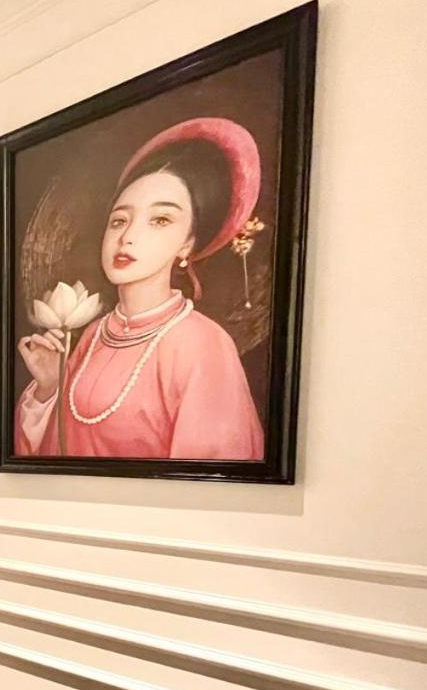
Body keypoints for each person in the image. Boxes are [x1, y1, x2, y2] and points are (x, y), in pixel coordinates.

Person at [15, 118, 265, 460]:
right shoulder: (93, 335)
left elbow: (210, 477)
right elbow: (50, 458)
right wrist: (49, 387)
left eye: (160, 220)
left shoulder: (203, 343)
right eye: (119, 220)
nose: (128, 236)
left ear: (188, 244)